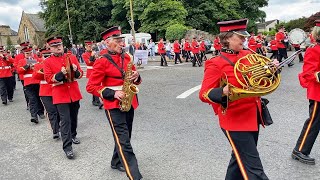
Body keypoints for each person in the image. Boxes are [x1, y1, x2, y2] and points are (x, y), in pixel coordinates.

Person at [199, 19, 272, 180]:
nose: (244, 40)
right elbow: (204, 94)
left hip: (253, 115)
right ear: (227, 38)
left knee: (238, 161)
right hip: (234, 120)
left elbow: (258, 80)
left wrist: (269, 70)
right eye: (240, 37)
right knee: (254, 170)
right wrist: (222, 91)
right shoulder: (215, 63)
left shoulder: (250, 55)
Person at [86, 26, 143, 180]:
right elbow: (90, 87)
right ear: (107, 43)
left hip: (129, 101)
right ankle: (135, 176)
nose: (122, 44)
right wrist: (113, 93)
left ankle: (115, 161)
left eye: (121, 41)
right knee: (124, 141)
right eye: (118, 41)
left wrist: (136, 76)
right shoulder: (101, 62)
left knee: (125, 136)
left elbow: (136, 80)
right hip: (113, 105)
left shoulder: (127, 58)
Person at [44, 36, 83, 159]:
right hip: (60, 94)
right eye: (55, 46)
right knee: (65, 120)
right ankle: (68, 147)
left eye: (59, 45)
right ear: (50, 48)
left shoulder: (71, 57)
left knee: (74, 117)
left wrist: (76, 71)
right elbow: (48, 79)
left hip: (74, 92)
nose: (58, 47)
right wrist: (61, 74)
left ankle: (73, 134)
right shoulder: (47, 61)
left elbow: (80, 74)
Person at [292, 20, 320, 165]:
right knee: (314, 123)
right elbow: (308, 74)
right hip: (318, 94)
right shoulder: (314, 50)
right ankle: (300, 150)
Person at [33, 48, 60, 139]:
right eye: (45, 56)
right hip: (45, 92)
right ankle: (55, 130)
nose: (47, 57)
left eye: (49, 55)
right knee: (51, 111)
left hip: (57, 89)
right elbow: (35, 76)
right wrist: (42, 70)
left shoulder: (56, 63)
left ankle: (60, 126)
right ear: (42, 57)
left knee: (59, 111)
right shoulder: (38, 65)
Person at [17, 45, 45, 124]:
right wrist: (26, 67)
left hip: (37, 82)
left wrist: (35, 65)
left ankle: (41, 112)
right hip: (28, 83)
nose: (29, 55)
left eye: (30, 53)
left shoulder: (37, 60)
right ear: (24, 54)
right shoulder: (22, 61)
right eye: (27, 54)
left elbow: (43, 66)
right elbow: (18, 70)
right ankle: (34, 116)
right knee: (32, 99)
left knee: (39, 98)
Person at [82, 40, 102, 107]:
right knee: (95, 86)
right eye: (88, 46)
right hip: (90, 71)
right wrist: (92, 56)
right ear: (85, 47)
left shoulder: (94, 52)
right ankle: (97, 101)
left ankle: (94, 101)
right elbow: (89, 62)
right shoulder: (84, 54)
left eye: (91, 46)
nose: (90, 47)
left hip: (96, 70)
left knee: (95, 85)